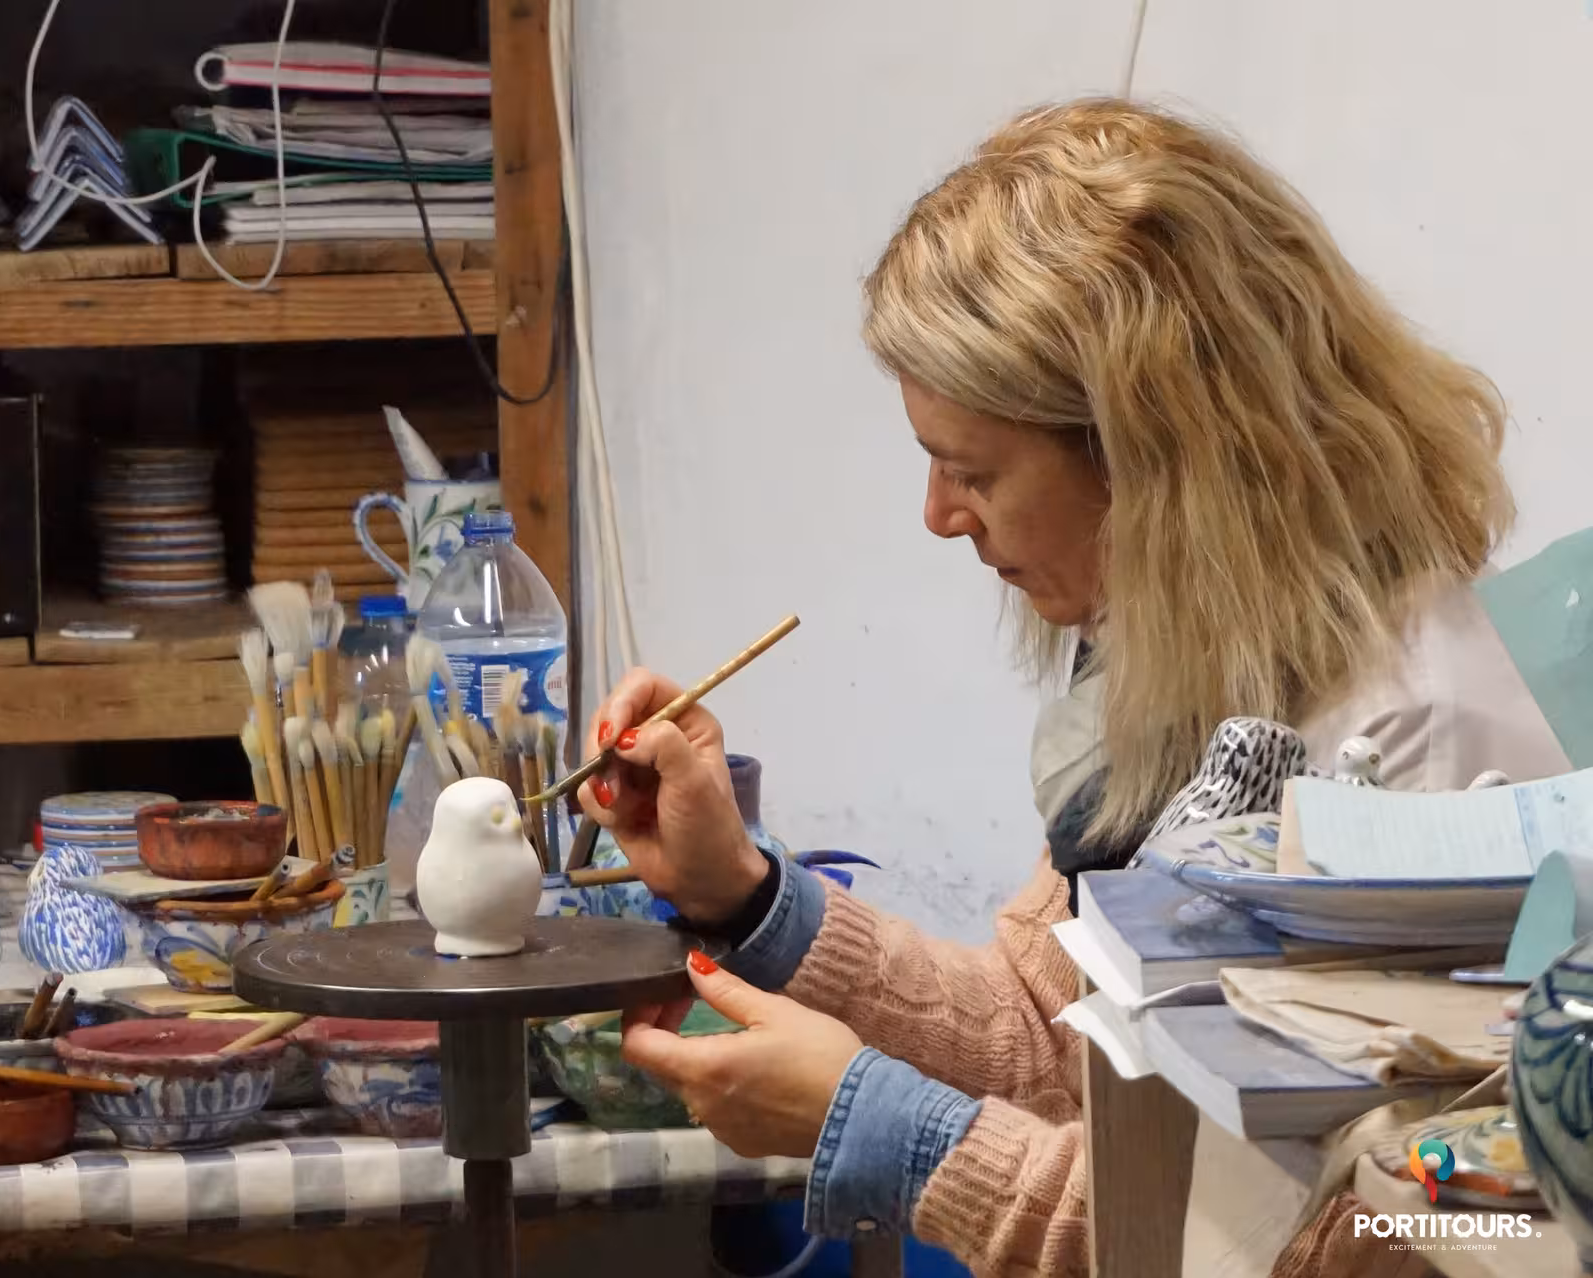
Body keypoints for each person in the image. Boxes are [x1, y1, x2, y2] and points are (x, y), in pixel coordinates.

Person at [576, 98, 1570, 1278]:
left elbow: (1306, 1249)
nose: (939, 517)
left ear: (1155, 459)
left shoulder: (1412, 755)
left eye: (972, 470)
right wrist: (743, 894)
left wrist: (893, 1139)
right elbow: (1054, 1037)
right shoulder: (1220, 681)